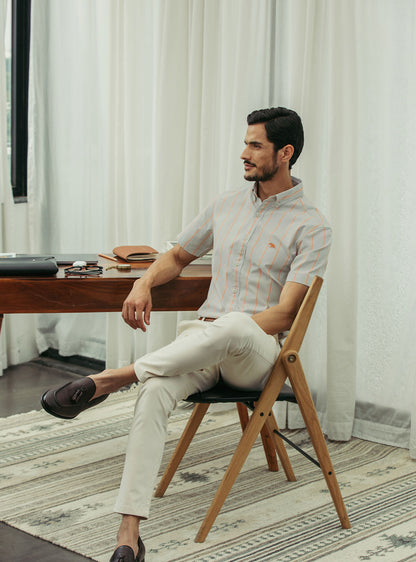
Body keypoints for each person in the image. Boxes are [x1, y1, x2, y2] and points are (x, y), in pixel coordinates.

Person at [41, 107, 332, 562]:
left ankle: (112, 378)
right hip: (202, 343)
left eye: (255, 145)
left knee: (233, 323)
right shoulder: (226, 205)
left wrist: (230, 330)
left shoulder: (312, 225)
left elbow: (284, 314)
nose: (244, 153)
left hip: (255, 355)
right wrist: (142, 283)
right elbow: (176, 256)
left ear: (285, 153)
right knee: (155, 390)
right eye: (246, 142)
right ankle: (129, 534)